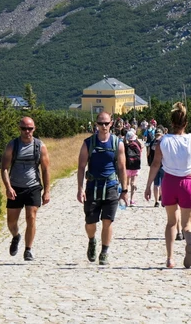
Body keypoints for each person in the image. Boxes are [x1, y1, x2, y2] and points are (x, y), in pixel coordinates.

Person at [145, 102, 191, 268]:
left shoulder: (163, 141)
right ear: (186, 123)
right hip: (189, 182)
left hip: (170, 182)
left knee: (171, 222)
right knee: (188, 223)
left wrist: (149, 185)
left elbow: (155, 164)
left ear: (171, 123)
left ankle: (170, 258)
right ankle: (189, 241)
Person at [77, 111, 129, 265]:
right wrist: (80, 188)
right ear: (96, 124)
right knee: (90, 223)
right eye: (101, 123)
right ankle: (92, 240)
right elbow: (81, 167)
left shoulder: (117, 143)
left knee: (108, 221)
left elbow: (122, 167)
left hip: (111, 187)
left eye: (106, 123)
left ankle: (104, 251)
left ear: (111, 123)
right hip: (93, 187)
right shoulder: (88, 143)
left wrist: (124, 190)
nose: (104, 126)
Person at [1, 116, 51, 261]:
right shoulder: (12, 145)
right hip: (15, 187)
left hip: (33, 187)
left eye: (30, 128)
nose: (27, 131)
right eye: (24, 128)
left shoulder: (40, 146)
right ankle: (16, 236)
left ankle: (28, 249)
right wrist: (8, 187)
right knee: (11, 222)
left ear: (34, 129)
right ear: (19, 129)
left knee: (31, 217)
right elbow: (4, 168)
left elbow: (46, 169)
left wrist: (46, 191)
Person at [124, 131, 143, 206]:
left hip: (127, 166)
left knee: (126, 183)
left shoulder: (125, 145)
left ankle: (126, 199)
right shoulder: (137, 144)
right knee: (133, 182)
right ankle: (132, 200)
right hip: (135, 166)